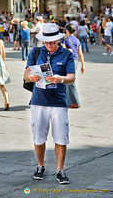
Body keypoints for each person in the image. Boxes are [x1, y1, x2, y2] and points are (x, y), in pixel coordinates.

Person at [24, 23, 75, 184]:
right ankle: (41, 166)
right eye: (46, 42)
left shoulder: (66, 54)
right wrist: (30, 77)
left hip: (58, 102)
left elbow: (71, 77)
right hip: (38, 101)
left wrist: (60, 78)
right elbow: (26, 73)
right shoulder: (36, 51)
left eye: (52, 42)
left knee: (61, 137)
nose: (49, 45)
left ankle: (60, 170)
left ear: (58, 41)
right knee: (38, 136)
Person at [61, 23, 85, 108]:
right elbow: (80, 53)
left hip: (68, 61)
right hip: (75, 61)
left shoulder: (64, 39)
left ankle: (75, 102)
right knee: (68, 81)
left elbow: (63, 50)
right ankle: (68, 101)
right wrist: (83, 64)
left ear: (67, 30)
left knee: (70, 82)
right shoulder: (77, 40)